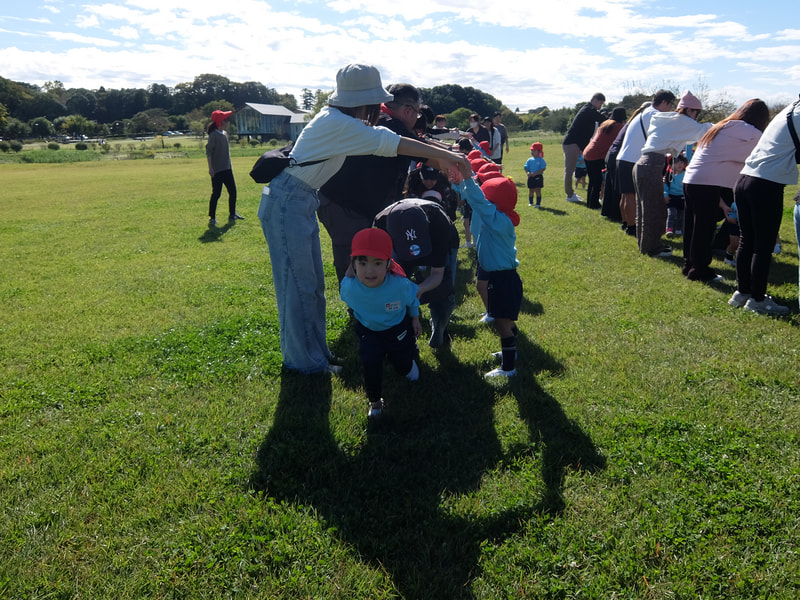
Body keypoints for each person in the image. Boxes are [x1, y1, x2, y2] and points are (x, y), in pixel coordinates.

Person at [257, 63, 469, 374]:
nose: (378, 108)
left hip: (300, 199)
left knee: (311, 285)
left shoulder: (339, 118)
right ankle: (304, 363)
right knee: (298, 286)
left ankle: (315, 354)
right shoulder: (339, 123)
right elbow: (392, 142)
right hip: (289, 201)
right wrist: (451, 157)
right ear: (364, 101)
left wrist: (446, 157)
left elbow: (388, 138)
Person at [318, 82, 435, 282]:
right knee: (354, 258)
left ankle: (371, 300)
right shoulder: (389, 123)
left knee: (369, 253)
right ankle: (357, 307)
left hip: (353, 204)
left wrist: (453, 155)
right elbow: (426, 154)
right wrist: (457, 162)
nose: (417, 119)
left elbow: (425, 145)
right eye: (417, 113)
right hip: (345, 206)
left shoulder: (381, 118)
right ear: (408, 110)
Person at [682, 99, 769, 282]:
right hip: (707, 182)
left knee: (692, 225)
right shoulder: (751, 132)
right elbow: (759, 155)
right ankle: (700, 271)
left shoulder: (723, 126)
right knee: (704, 228)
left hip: (691, 180)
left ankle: (689, 264)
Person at [340, 228, 421, 420]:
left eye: (377, 263)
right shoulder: (350, 289)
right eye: (362, 263)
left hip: (397, 328)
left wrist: (415, 318)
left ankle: (409, 365)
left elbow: (412, 300)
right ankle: (375, 402)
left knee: (402, 363)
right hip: (369, 331)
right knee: (370, 365)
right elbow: (346, 284)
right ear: (353, 265)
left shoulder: (400, 285)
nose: (369, 271)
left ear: (388, 265)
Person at [729, 96, 800, 314]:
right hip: (765, 184)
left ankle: (743, 293)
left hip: (744, 179)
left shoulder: (790, 109)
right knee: (764, 246)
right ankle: (758, 300)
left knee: (747, 241)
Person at [450, 169, 522, 378]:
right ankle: (511, 352)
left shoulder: (500, 221)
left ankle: (508, 368)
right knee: (505, 321)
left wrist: (467, 178)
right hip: (500, 276)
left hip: (504, 279)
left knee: (501, 322)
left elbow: (479, 201)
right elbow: (475, 200)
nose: (484, 202)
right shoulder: (497, 216)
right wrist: (459, 184)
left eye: (487, 198)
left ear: (495, 203)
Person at [633, 90, 712, 258]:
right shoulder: (682, 120)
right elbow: (703, 131)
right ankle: (653, 248)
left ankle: (646, 245)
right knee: (653, 209)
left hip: (643, 163)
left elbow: (689, 136)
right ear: (690, 110)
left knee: (644, 209)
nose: (696, 117)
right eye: (696, 113)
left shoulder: (668, 119)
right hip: (652, 164)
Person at [374, 197, 460, 349]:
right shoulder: (381, 223)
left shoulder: (439, 224)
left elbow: (437, 273)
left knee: (445, 292)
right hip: (399, 247)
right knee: (396, 291)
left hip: (441, 238)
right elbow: (387, 274)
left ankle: (439, 327)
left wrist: (419, 289)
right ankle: (404, 338)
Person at [617, 91, 677, 235]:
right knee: (631, 196)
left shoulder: (643, 113)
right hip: (632, 159)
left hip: (623, 158)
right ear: (664, 102)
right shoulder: (654, 115)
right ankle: (632, 227)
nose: (670, 109)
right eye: (670, 105)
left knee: (626, 195)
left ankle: (626, 223)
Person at [562, 92, 605, 203]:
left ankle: (571, 194)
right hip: (572, 144)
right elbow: (602, 119)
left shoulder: (589, 109)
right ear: (595, 99)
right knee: (570, 170)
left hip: (575, 144)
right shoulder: (588, 110)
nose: (600, 107)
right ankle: (570, 194)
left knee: (570, 170)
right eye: (600, 104)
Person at [583, 107, 626, 210]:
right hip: (598, 155)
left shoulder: (605, 124)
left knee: (593, 180)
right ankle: (594, 204)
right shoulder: (619, 127)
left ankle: (590, 202)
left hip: (588, 151)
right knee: (597, 181)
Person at [206, 110, 243, 226]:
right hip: (217, 171)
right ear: (221, 122)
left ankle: (232, 214)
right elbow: (208, 152)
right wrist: (211, 168)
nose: (228, 122)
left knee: (233, 191)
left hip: (227, 169)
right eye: (226, 120)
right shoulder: (214, 135)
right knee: (216, 194)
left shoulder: (224, 134)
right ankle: (212, 217)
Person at [664, 153, 689, 237]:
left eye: (682, 163)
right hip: (672, 197)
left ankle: (678, 229)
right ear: (671, 165)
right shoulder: (669, 175)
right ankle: (669, 229)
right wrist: (665, 195)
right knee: (671, 213)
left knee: (680, 215)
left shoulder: (686, 174)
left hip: (682, 197)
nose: (680, 165)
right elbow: (665, 187)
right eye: (677, 163)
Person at [524, 142, 547, 207]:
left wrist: (536, 173)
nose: (532, 152)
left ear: (539, 151)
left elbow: (543, 168)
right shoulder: (529, 160)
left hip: (538, 177)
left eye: (534, 150)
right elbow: (526, 167)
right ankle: (531, 202)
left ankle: (538, 203)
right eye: (531, 150)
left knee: (538, 191)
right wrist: (527, 172)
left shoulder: (541, 160)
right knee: (531, 190)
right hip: (531, 177)